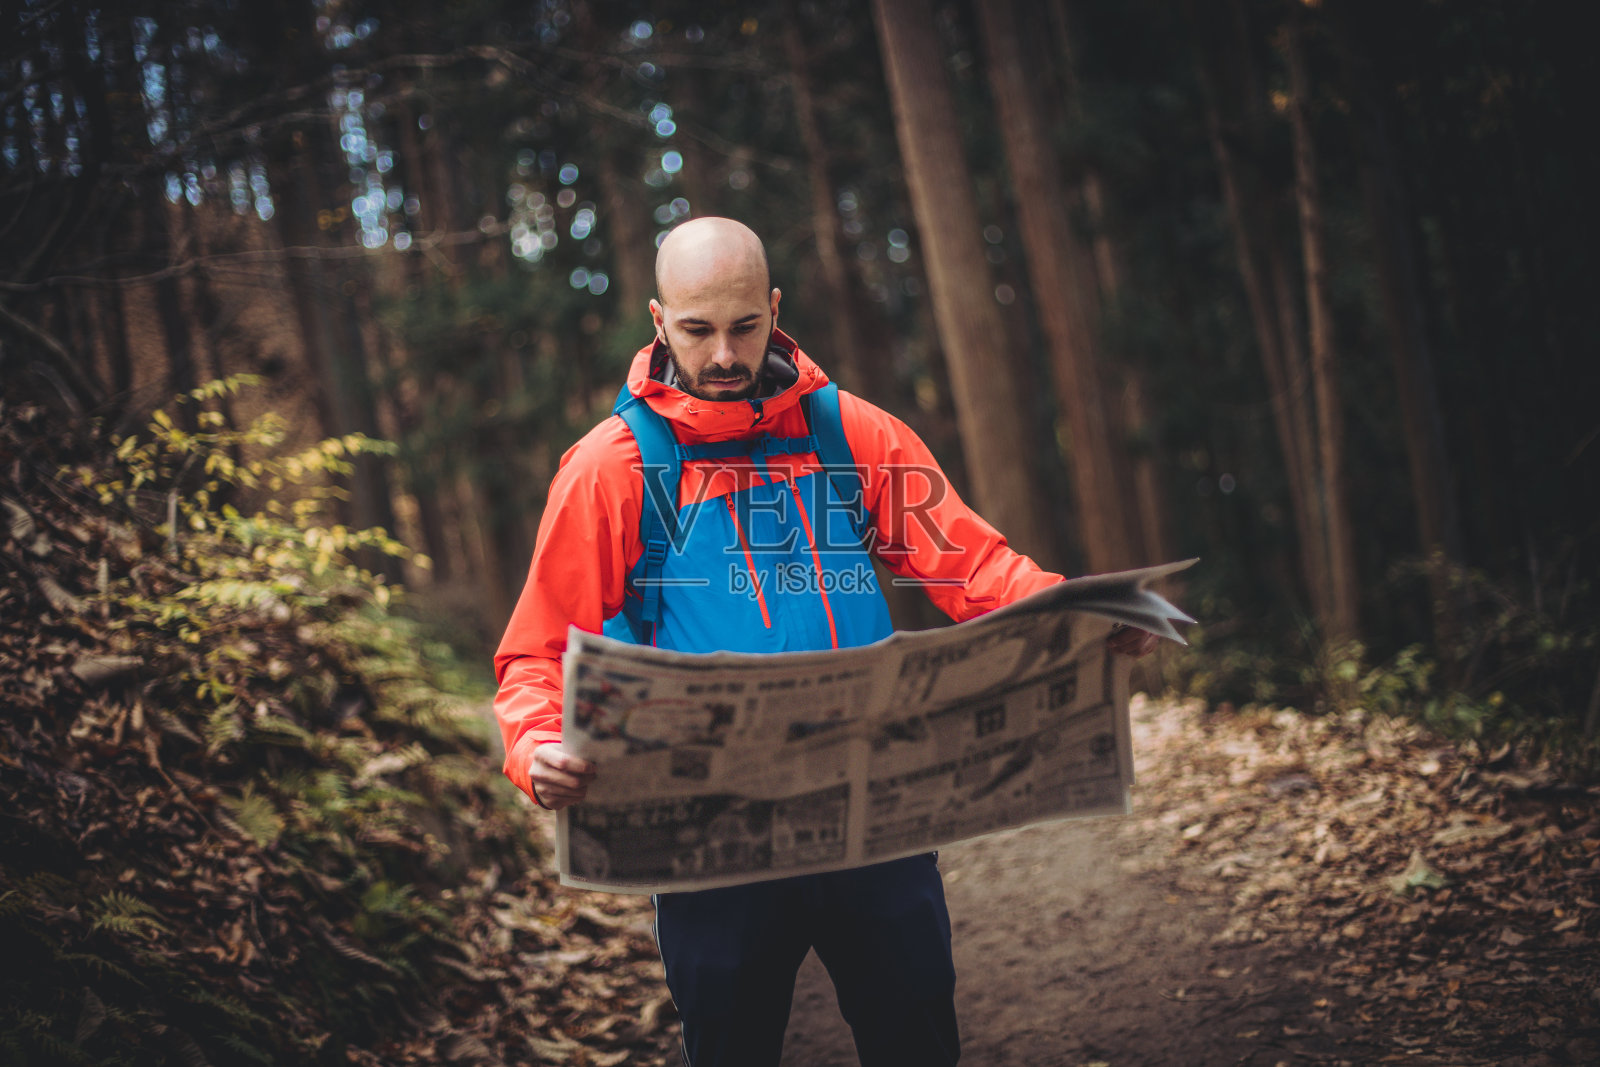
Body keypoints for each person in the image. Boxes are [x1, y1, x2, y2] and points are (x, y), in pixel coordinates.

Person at [493, 217, 1158, 1066]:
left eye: (744, 325)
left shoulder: (849, 433)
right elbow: (535, 652)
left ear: (775, 308)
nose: (725, 354)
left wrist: (1075, 615)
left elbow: (970, 564)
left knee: (916, 1038)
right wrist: (537, 744)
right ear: (659, 321)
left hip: (875, 816)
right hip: (709, 845)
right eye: (698, 331)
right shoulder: (610, 469)